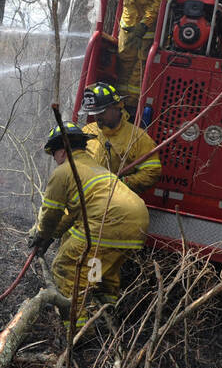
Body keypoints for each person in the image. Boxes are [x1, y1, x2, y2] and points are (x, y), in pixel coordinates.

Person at [26, 123, 149, 323]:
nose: (55, 161)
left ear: (63, 152)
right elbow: (69, 214)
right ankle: (106, 314)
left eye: (54, 154)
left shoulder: (64, 172)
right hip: (137, 222)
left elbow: (51, 214)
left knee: (65, 266)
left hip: (109, 222)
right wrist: (53, 235)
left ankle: (77, 332)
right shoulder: (94, 167)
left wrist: (41, 234)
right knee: (96, 269)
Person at [111, 0, 183, 115]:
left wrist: (144, 25)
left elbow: (162, 0)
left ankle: (133, 108)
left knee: (142, 63)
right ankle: (117, 102)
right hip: (132, 9)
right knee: (124, 55)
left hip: (154, 20)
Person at [80, 82, 161, 197]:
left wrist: (120, 183)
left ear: (118, 107)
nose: (97, 117)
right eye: (94, 113)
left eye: (101, 112)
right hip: (85, 197)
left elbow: (151, 171)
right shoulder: (87, 131)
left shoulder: (138, 138)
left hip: (115, 201)